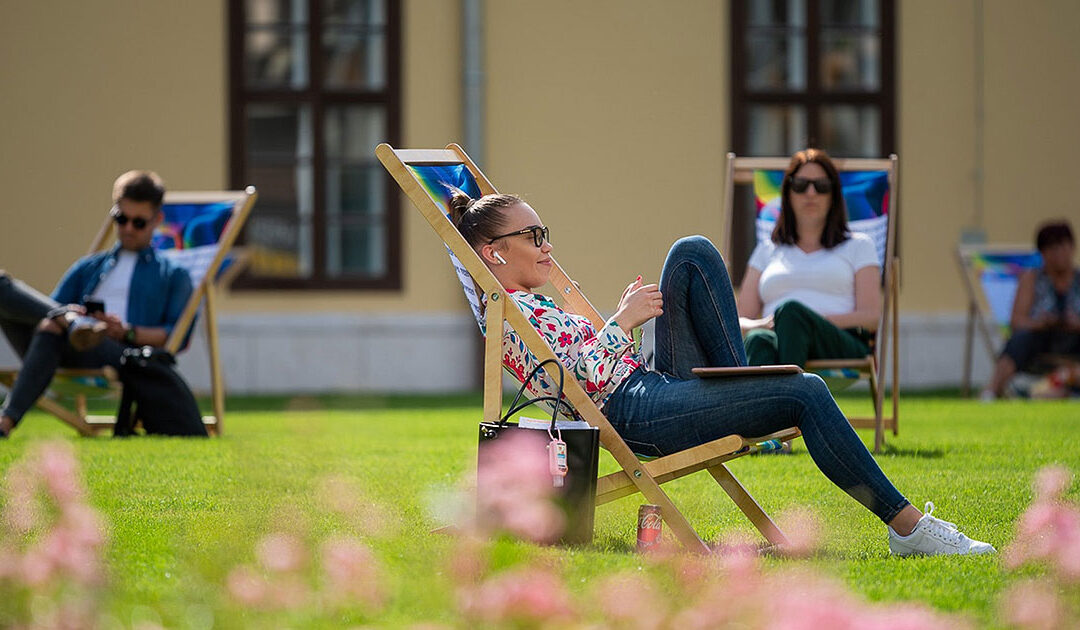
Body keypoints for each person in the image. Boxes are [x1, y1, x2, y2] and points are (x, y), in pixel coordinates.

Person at [449, 190, 993, 556]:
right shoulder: (511, 319)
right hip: (635, 412)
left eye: (546, 232)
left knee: (691, 253)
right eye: (534, 236)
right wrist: (620, 321)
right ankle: (909, 528)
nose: (548, 246)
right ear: (493, 253)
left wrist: (624, 326)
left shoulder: (533, 304)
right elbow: (570, 385)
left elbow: (597, 361)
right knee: (805, 392)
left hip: (649, 385)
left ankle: (740, 382)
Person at [0, 171, 193, 437]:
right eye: (121, 219)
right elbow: (47, 309)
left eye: (138, 222)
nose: (127, 228)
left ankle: (5, 421)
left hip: (123, 356)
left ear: (157, 220)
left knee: (53, 323)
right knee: (9, 294)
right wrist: (72, 316)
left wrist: (125, 331)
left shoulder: (173, 274)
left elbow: (175, 337)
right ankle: (72, 320)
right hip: (64, 343)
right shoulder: (88, 266)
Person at [737, 148, 880, 368]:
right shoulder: (766, 250)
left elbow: (871, 316)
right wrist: (766, 324)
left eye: (821, 186)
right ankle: (778, 402)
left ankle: (789, 398)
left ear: (833, 194)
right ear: (788, 192)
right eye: (801, 185)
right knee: (758, 339)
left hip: (839, 341)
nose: (811, 193)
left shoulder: (859, 245)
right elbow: (738, 322)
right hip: (775, 337)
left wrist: (803, 320)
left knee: (792, 311)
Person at [982, 220, 1080, 399]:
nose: (1058, 254)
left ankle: (1045, 388)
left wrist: (1074, 323)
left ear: (1072, 248)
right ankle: (991, 391)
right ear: (1042, 253)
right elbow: (1016, 321)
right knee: (1020, 338)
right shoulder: (1032, 279)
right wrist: (1040, 322)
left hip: (1074, 341)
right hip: (1040, 340)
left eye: (1063, 246)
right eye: (1051, 248)